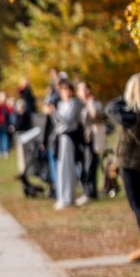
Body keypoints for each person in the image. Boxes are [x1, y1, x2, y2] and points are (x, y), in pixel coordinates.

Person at [105, 73, 140, 262]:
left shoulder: (130, 114)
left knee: (138, 204)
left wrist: (127, 95)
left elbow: (110, 107)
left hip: (130, 163)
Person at [51, 80, 84, 210]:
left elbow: (68, 119)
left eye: (66, 90)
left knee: (68, 167)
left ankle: (68, 198)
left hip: (69, 136)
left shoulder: (74, 103)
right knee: (61, 167)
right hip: (61, 136)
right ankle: (63, 196)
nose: (64, 93)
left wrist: (54, 112)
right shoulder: (61, 104)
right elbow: (57, 122)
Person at [77, 81, 105, 204]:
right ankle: (88, 191)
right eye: (80, 89)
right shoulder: (80, 104)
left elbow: (96, 115)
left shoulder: (94, 102)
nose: (82, 92)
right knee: (85, 166)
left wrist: (90, 102)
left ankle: (90, 193)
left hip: (92, 138)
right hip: (83, 139)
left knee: (90, 165)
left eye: (84, 89)